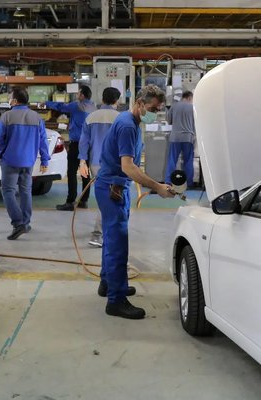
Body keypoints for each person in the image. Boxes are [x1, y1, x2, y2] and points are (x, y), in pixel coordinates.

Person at [95, 84, 174, 319]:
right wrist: (157, 187)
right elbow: (128, 167)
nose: (155, 113)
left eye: (158, 110)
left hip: (114, 186)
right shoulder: (128, 126)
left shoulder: (130, 121)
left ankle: (108, 283)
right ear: (139, 103)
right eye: (153, 109)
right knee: (117, 244)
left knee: (111, 239)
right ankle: (116, 300)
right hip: (113, 189)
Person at [0, 87, 50, 240]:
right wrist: (44, 160)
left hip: (10, 160)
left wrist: (0, 153)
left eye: (10, 97)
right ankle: (25, 222)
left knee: (8, 191)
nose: (9, 99)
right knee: (25, 191)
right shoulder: (37, 117)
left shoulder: (7, 116)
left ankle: (18, 223)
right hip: (29, 161)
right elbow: (43, 141)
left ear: (15, 101)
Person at [78, 87, 121, 248]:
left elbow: (84, 141)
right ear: (117, 101)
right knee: (111, 199)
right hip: (115, 164)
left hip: (95, 163)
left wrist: (82, 162)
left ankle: (105, 231)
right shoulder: (120, 118)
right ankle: (98, 235)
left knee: (105, 197)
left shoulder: (91, 117)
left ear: (102, 99)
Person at [44, 85, 96, 211]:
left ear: (82, 95)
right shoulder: (93, 107)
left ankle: (70, 201)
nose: (77, 95)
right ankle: (84, 200)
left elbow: (61, 107)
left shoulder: (77, 105)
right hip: (89, 144)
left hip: (77, 143)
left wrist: (46, 103)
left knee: (71, 172)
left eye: (78, 93)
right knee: (85, 172)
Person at [165, 90, 195, 185]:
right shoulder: (193, 107)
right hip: (188, 138)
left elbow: (169, 121)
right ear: (189, 98)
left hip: (175, 137)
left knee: (172, 159)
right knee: (188, 160)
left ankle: (168, 181)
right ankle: (189, 182)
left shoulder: (174, 106)